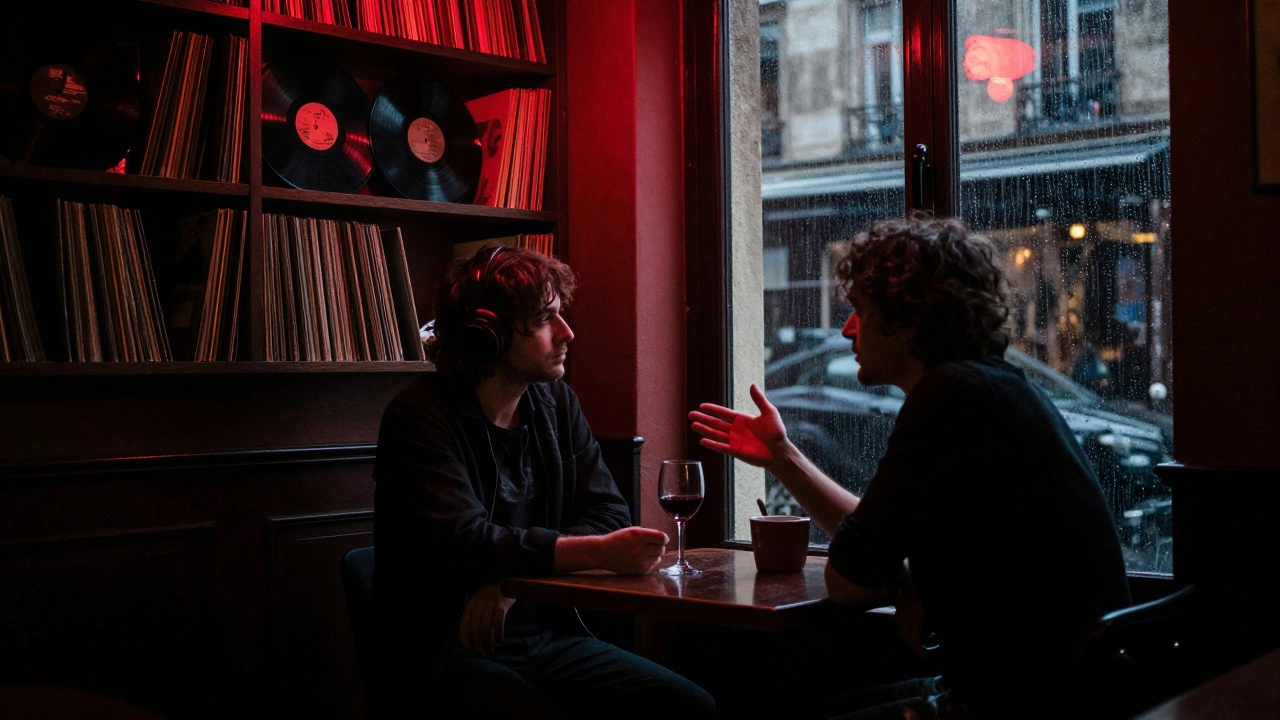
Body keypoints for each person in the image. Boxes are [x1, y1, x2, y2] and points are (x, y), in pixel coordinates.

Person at [690, 216, 1131, 719]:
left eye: (859, 309)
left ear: (906, 316)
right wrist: (783, 456)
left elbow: (850, 581)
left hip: (1023, 701)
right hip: (1064, 687)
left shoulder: (950, 397)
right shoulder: (992, 387)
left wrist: (906, 579)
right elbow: (875, 543)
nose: (846, 328)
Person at [372, 246, 715, 719]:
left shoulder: (555, 402)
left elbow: (609, 513)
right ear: (485, 337)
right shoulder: (418, 418)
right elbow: (467, 540)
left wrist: (513, 584)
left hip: (546, 638)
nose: (568, 332)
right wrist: (593, 553)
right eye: (544, 319)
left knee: (689, 706)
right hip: (444, 654)